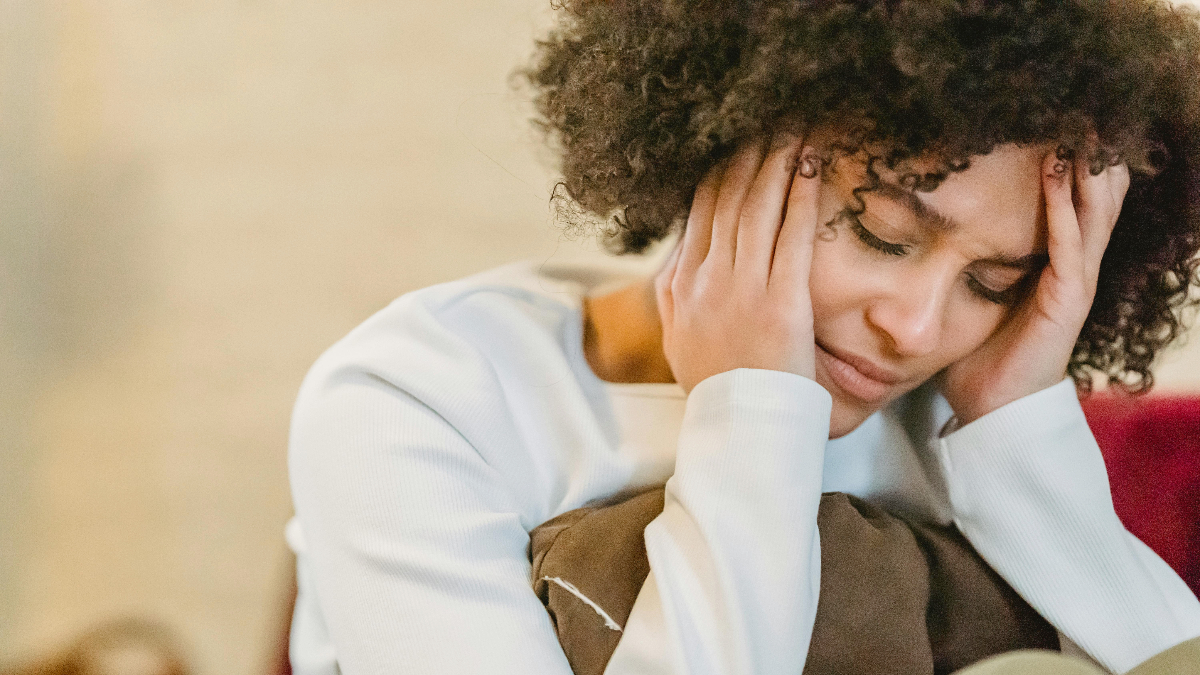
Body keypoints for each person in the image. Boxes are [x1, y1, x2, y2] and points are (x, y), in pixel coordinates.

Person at [285, 0, 1200, 673]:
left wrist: (1020, 428)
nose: (916, 328)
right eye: (881, 232)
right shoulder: (421, 403)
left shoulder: (956, 428)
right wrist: (753, 413)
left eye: (993, 281)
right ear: (727, 137)